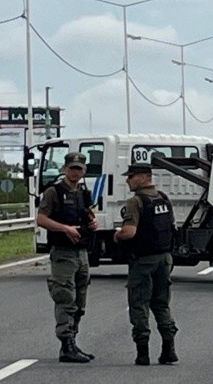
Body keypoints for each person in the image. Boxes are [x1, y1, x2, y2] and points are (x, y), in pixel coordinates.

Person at [113, 163, 179, 366]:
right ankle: (169, 349)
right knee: (161, 304)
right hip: (164, 258)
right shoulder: (163, 199)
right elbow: (172, 226)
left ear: (143, 178)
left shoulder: (136, 201)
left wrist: (117, 235)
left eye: (131, 177)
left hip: (143, 261)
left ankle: (143, 353)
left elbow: (130, 231)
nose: (127, 180)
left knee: (139, 303)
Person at [36, 151, 98, 364]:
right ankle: (66, 344)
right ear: (65, 169)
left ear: (84, 171)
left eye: (79, 169)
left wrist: (92, 223)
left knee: (80, 301)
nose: (75, 172)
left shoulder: (82, 191)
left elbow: (88, 213)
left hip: (81, 251)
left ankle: (73, 341)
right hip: (63, 252)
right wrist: (64, 229)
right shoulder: (54, 192)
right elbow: (41, 219)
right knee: (65, 298)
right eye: (72, 168)